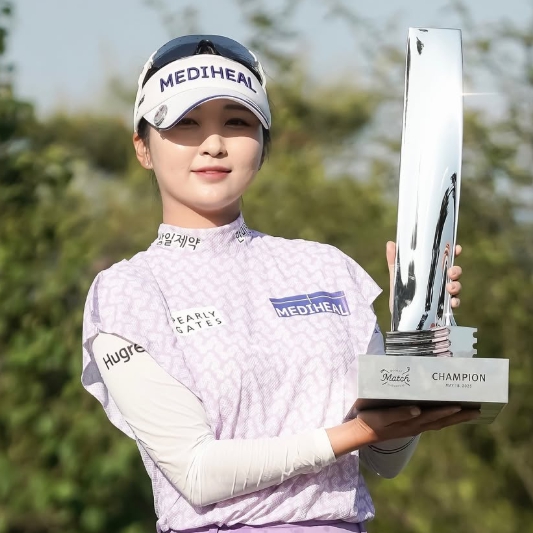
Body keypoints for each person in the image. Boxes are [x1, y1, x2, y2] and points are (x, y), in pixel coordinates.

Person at [81, 35, 478, 533]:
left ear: (263, 144)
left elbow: (387, 459)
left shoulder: (326, 269)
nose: (214, 144)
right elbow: (197, 472)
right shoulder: (129, 291)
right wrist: (356, 432)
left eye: (237, 122)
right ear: (143, 147)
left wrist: (417, 331)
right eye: (185, 123)